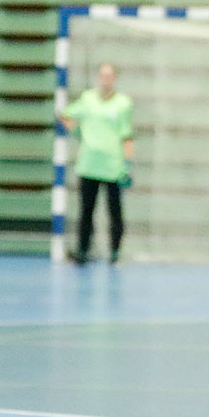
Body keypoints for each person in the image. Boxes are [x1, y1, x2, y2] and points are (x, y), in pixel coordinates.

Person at [60, 62, 134, 265]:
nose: (105, 79)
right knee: (86, 211)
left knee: (115, 213)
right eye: (102, 75)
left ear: (115, 79)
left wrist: (127, 163)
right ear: (98, 78)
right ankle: (83, 250)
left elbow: (127, 135)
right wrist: (78, 132)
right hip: (89, 165)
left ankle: (115, 252)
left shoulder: (123, 104)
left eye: (109, 76)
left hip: (113, 166)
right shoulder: (88, 99)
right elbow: (65, 115)